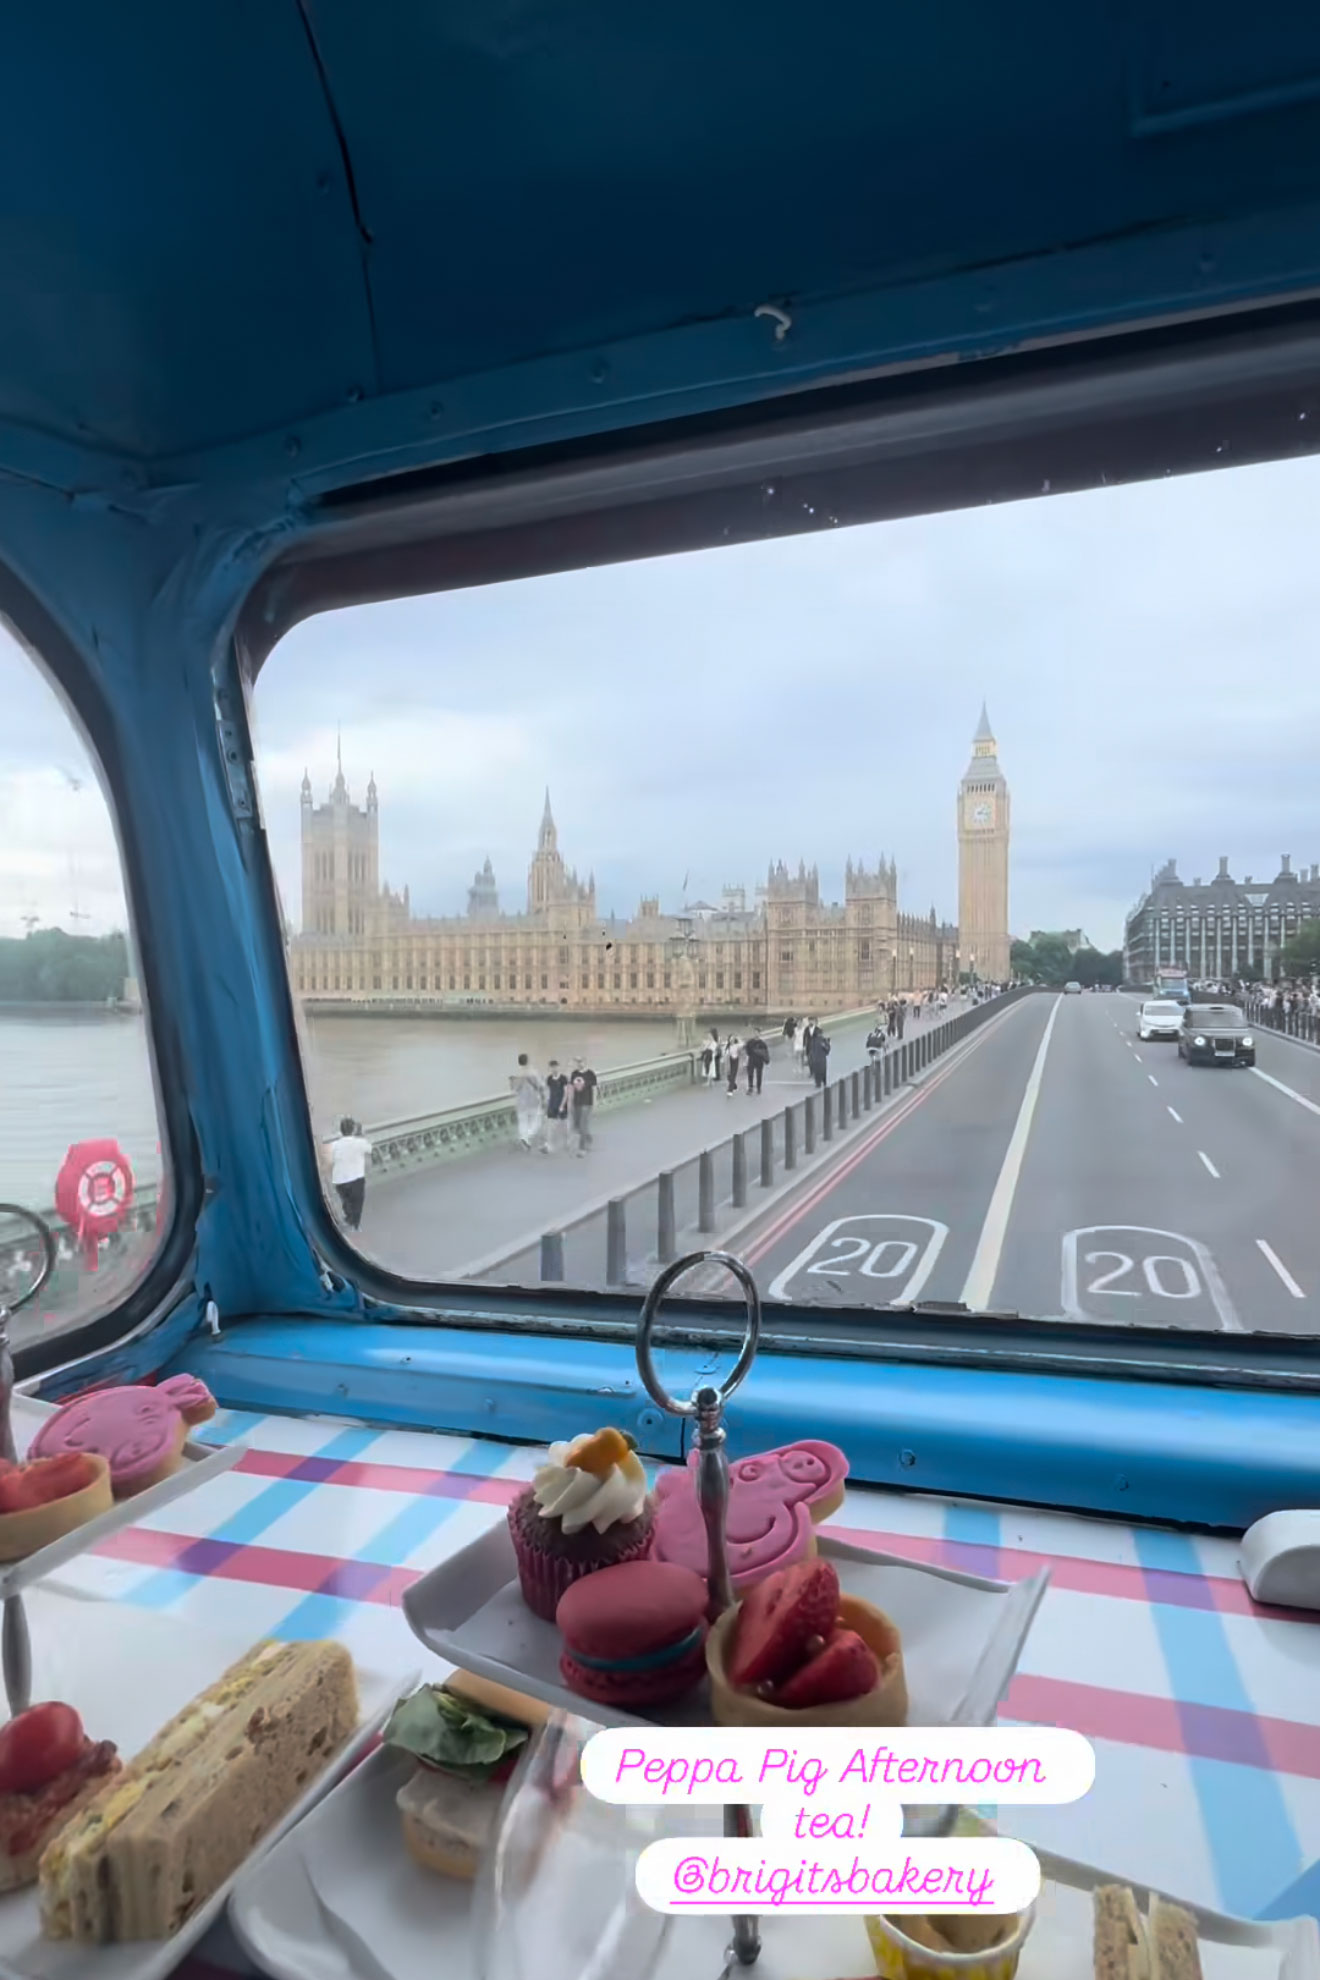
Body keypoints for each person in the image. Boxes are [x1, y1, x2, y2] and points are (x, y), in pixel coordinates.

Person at [326, 1116, 373, 1229]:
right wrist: (362, 1135)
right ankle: (354, 1224)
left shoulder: (334, 1145)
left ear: (341, 1131)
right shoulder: (360, 1142)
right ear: (353, 1129)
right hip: (356, 1178)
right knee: (357, 1203)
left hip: (339, 1180)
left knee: (346, 1201)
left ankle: (348, 1219)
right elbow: (370, 1149)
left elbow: (329, 1161)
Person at [510, 1054, 546, 1149]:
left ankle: (524, 1138)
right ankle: (528, 1135)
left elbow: (514, 1089)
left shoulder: (516, 1074)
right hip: (533, 1101)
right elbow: (541, 1085)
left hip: (521, 1102)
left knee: (522, 1122)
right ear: (527, 1061)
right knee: (537, 1120)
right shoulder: (533, 1072)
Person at [569, 1058, 598, 1153]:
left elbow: (594, 1089)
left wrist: (595, 1102)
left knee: (583, 1124)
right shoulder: (574, 1074)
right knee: (576, 1125)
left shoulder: (590, 1074)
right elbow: (571, 1088)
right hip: (576, 1102)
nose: (579, 1064)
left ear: (585, 1063)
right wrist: (570, 1101)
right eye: (578, 1062)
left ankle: (582, 1147)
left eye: (581, 1062)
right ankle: (588, 1137)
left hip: (587, 1102)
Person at [544, 1059, 570, 1151]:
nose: (553, 1069)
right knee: (550, 1126)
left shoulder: (563, 1078)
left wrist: (562, 1105)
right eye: (552, 1067)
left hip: (562, 1105)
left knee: (564, 1126)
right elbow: (547, 1092)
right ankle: (548, 1145)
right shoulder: (549, 1079)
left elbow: (566, 1093)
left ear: (558, 1067)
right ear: (550, 1068)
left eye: (555, 1067)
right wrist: (547, 1103)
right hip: (552, 1105)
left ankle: (566, 1141)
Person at [744, 1030, 770, 1095]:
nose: (756, 1034)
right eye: (755, 1033)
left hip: (759, 1060)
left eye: (757, 1033)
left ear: (759, 1034)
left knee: (759, 1074)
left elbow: (765, 1052)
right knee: (750, 1074)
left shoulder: (762, 1043)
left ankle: (758, 1088)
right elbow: (747, 1050)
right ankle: (750, 1087)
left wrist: (766, 1059)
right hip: (751, 1060)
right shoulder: (750, 1042)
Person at [807, 1025, 831, 1090]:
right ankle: (822, 1084)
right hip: (821, 1060)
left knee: (818, 1074)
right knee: (822, 1073)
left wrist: (810, 1060)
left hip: (816, 1060)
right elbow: (828, 1050)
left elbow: (811, 1052)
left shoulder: (814, 1041)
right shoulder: (822, 1040)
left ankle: (819, 1084)